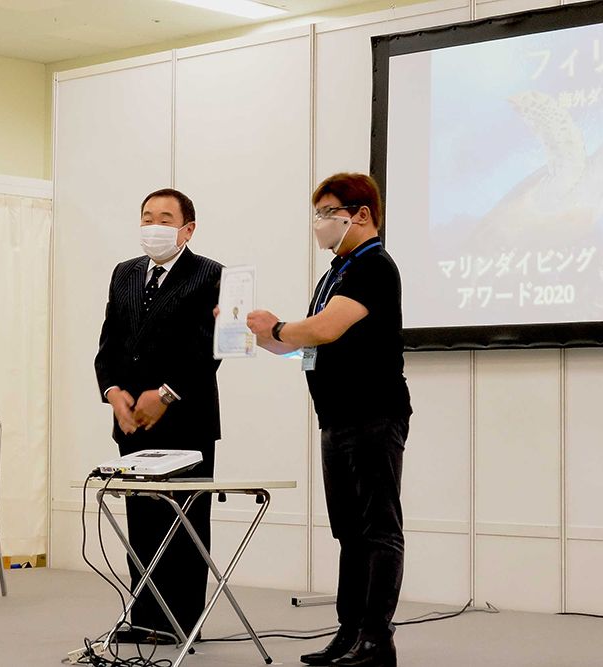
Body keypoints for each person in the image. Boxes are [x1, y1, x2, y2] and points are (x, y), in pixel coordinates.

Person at [247, 172, 411, 667]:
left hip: (373, 413)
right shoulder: (336, 272)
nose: (318, 223)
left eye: (327, 213)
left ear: (360, 214)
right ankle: (350, 631)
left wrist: (278, 326)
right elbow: (306, 346)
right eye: (316, 213)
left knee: (378, 528)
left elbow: (324, 328)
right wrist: (254, 333)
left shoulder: (373, 266)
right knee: (349, 532)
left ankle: (376, 638)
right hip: (336, 416)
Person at [94, 188, 223, 642]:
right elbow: (109, 343)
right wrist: (113, 393)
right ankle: (145, 617)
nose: (153, 226)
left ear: (187, 229)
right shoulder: (124, 273)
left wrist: (165, 394)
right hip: (132, 422)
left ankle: (183, 622)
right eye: (147, 217)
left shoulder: (210, 274)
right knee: (143, 522)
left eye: (165, 218)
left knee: (184, 523)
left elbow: (210, 349)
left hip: (186, 420)